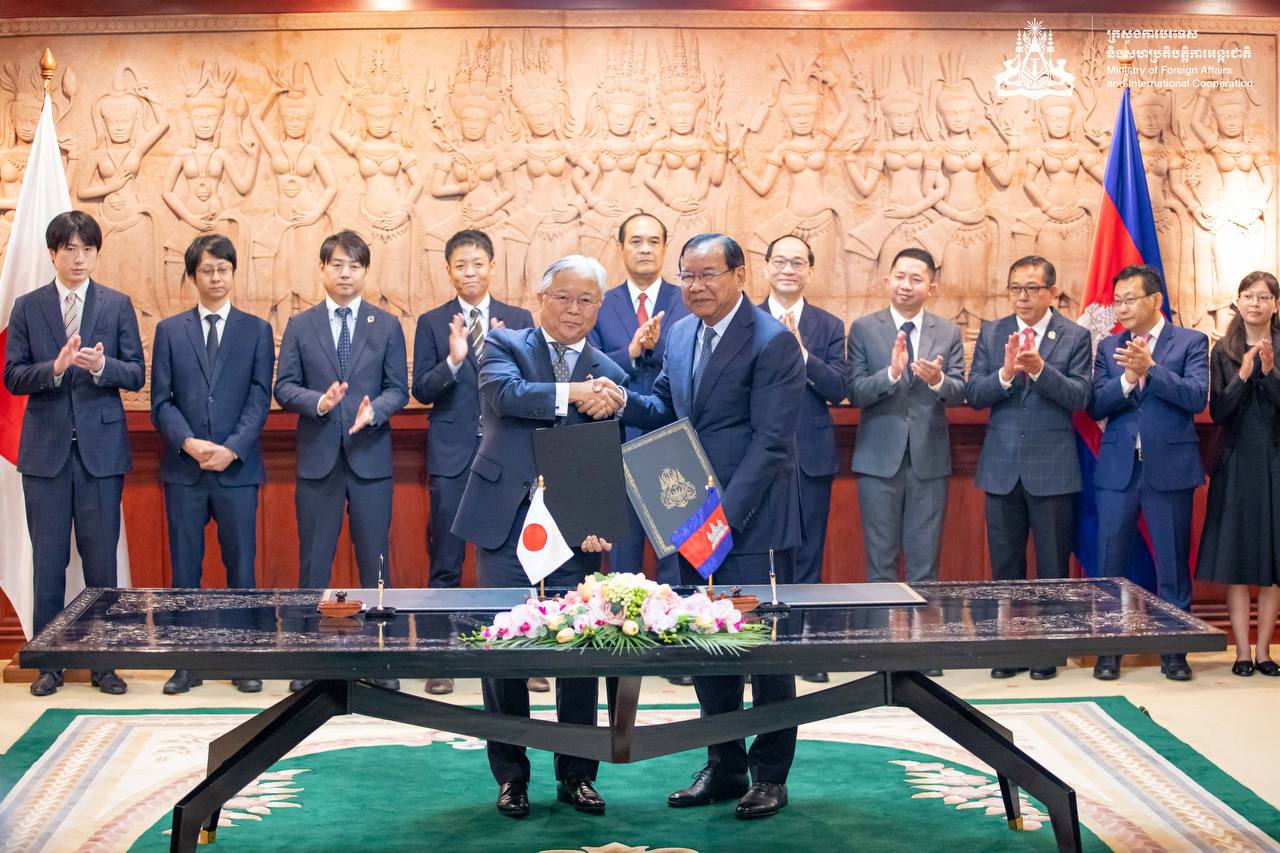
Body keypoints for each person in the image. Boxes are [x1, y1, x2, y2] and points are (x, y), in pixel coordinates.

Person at [619, 233, 806, 820]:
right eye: (688, 276)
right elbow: (667, 408)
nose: (696, 287)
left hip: (748, 522)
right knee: (706, 646)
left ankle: (770, 775)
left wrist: (722, 522)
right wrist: (618, 396)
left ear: (739, 274)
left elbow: (771, 444)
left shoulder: (773, 343)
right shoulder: (678, 333)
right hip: (688, 514)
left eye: (708, 275)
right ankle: (724, 765)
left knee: (762, 654)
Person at [451, 255, 628, 820]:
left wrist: (604, 518)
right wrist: (575, 393)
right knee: (504, 654)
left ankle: (577, 774)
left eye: (586, 301)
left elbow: (611, 454)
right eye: (564, 298)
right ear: (540, 298)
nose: (574, 310)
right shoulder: (505, 345)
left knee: (580, 654)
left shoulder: (612, 372)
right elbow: (506, 397)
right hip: (506, 521)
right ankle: (512, 777)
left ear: (598, 308)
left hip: (579, 532)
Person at [4, 210, 145, 697]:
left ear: (97, 253)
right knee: (48, 562)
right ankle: (51, 662)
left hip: (100, 455)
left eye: (87, 248)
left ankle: (104, 663)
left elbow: (136, 374)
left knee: (100, 562)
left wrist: (104, 365)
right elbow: (12, 376)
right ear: (52, 253)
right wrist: (56, 368)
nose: (78, 257)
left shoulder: (116, 304)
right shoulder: (27, 307)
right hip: (44, 455)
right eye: (69, 248)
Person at [274, 229, 408, 692]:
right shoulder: (300, 324)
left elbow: (398, 389)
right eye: (337, 264)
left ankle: (380, 659)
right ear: (322, 269)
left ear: (365, 271)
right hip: (318, 462)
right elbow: (284, 386)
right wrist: (321, 403)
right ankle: (309, 661)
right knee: (314, 564)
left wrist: (377, 412)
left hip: (371, 460)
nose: (345, 273)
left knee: (376, 565)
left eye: (354, 265)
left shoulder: (386, 325)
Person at [412, 229, 533, 696]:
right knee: (445, 558)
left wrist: (511, 350)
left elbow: (534, 384)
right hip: (454, 455)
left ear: (492, 266)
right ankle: (442, 659)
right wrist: (455, 362)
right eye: (460, 265)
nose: (470, 272)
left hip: (509, 458)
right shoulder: (431, 321)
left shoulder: (519, 319)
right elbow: (421, 390)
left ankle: (523, 654)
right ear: (448, 270)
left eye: (478, 263)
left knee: (518, 559)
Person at [151, 234, 273, 695]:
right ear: (192, 277)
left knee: (241, 568)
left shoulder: (256, 329)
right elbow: (160, 401)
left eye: (223, 269)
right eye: (207, 270)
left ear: (233, 273)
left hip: (237, 469)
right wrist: (188, 443)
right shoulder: (169, 330)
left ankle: (244, 658)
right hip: (184, 469)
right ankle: (188, 662)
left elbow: (260, 398)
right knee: (186, 570)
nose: (216, 277)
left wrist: (231, 448)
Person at [965, 255, 1091, 681]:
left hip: (1052, 469)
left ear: (1051, 292)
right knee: (1006, 566)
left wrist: (1040, 370)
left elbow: (1080, 397)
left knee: (1053, 566)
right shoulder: (994, 331)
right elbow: (975, 394)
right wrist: (1003, 374)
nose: (1022, 296)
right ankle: (1010, 648)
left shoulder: (1074, 336)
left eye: (1032, 288)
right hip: (1001, 468)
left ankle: (1047, 652)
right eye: (1015, 288)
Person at [1090, 264, 1209, 682]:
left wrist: (1152, 370)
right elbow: (1096, 404)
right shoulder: (1108, 348)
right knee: (1110, 563)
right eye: (1117, 300)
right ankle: (1109, 651)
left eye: (1129, 299)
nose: (1121, 307)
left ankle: (1174, 651)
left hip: (1170, 469)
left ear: (1155, 300)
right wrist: (1126, 378)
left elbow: (1196, 397)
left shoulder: (1191, 341)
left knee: (1173, 562)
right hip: (1119, 470)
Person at [848, 248, 965, 586]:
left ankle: (924, 636)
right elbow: (854, 392)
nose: (906, 285)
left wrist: (937, 380)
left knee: (925, 566)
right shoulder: (864, 329)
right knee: (880, 565)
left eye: (916, 279)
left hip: (929, 461)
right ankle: (882, 637)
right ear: (887, 281)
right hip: (877, 460)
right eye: (900, 277)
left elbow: (959, 393)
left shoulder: (947, 332)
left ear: (932, 287)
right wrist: (891, 375)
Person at [759, 233, 845, 684]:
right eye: (781, 260)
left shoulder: (828, 325)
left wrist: (802, 351)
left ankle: (800, 650)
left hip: (810, 456)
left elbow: (838, 388)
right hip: (758, 458)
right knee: (762, 556)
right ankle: (761, 650)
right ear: (767, 267)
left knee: (807, 557)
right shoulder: (746, 321)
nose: (788, 268)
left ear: (810, 270)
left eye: (798, 262)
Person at [586, 212, 687, 585]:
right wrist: (629, 351)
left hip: (673, 442)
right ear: (620, 248)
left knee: (676, 556)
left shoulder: (687, 300)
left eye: (653, 242)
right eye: (635, 241)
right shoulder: (598, 302)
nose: (645, 249)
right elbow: (587, 367)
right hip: (614, 442)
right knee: (623, 558)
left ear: (664, 247)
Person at [1196, 271, 1280, 677]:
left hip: (1276, 465)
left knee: (1272, 562)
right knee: (1238, 557)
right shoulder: (1223, 351)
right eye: (1248, 296)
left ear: (1275, 305)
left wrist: (1271, 372)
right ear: (1238, 301)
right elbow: (1219, 412)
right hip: (1236, 464)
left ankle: (1265, 651)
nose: (1256, 304)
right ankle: (1241, 652)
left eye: (1264, 297)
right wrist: (1246, 373)